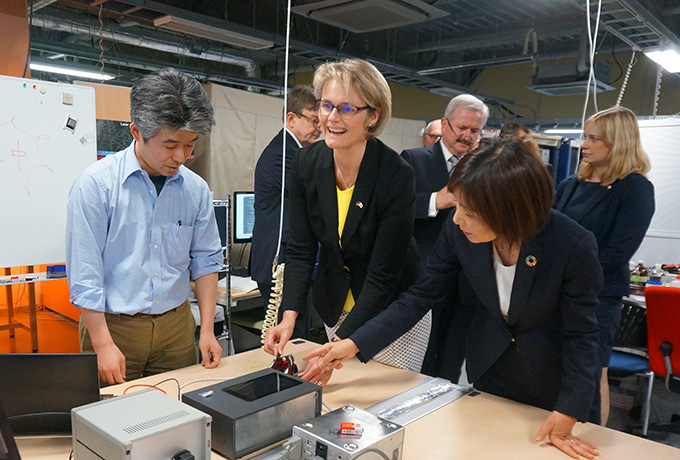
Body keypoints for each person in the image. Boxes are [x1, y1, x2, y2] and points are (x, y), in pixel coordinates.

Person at [305, 139, 603, 460]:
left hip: (555, 387)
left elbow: (582, 337)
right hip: (492, 374)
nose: (458, 218)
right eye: (458, 205)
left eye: (470, 212)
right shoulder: (460, 230)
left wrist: (569, 410)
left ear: (510, 212)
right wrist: (352, 343)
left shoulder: (571, 245)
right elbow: (419, 297)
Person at [263, 58, 430, 386]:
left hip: (391, 315)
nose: (331, 118)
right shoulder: (307, 163)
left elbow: (384, 277)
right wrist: (289, 316)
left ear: (373, 115)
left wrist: (343, 343)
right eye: (326, 106)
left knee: (381, 402)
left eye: (345, 109)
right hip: (336, 305)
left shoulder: (395, 175)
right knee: (340, 399)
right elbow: (299, 249)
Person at [66, 68, 223, 385]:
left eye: (190, 145)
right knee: (111, 422)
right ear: (136, 131)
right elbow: (85, 274)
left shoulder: (195, 190)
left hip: (176, 326)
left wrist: (206, 329)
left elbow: (206, 261)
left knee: (176, 417)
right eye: (170, 144)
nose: (180, 156)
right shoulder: (96, 186)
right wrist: (102, 343)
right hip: (114, 325)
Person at [554, 106, 654, 425]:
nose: (584, 144)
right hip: (556, 294)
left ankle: (593, 442)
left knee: (590, 377)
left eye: (593, 138)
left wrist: (564, 274)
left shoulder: (634, 188)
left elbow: (616, 253)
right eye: (585, 136)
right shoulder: (571, 184)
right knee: (554, 372)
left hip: (597, 299)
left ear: (618, 142)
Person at [400, 94, 488, 381]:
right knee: (422, 355)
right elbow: (396, 210)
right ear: (445, 123)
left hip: (468, 279)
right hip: (426, 274)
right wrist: (435, 201)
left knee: (453, 359)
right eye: (462, 128)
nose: (467, 136)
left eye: (474, 131)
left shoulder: (484, 167)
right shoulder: (413, 159)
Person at [251, 85, 320, 339]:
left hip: (290, 261)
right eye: (314, 120)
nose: (319, 128)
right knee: (289, 338)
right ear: (291, 118)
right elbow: (316, 198)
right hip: (279, 263)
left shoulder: (295, 152)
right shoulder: (284, 155)